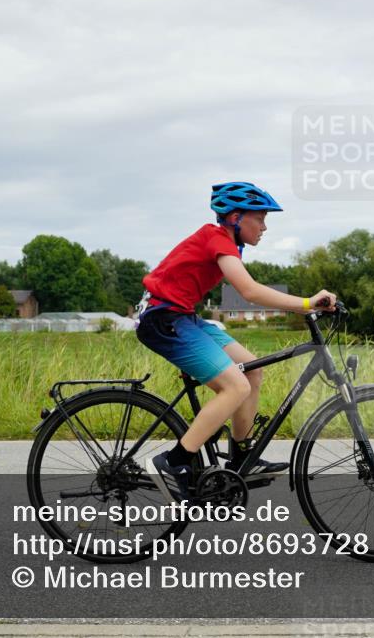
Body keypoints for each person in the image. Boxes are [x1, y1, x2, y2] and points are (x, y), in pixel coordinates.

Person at [136, 181, 337, 502]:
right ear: (234, 217)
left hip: (182, 316)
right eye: (260, 218)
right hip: (163, 320)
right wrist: (306, 303)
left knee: (252, 371)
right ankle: (173, 463)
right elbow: (250, 291)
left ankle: (242, 456)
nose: (265, 226)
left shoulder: (229, 243)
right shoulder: (217, 240)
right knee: (235, 386)